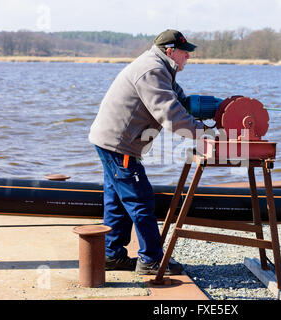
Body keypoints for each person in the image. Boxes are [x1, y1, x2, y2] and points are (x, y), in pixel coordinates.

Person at [88, 29, 206, 275]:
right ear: (171, 51)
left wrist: (215, 109)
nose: (189, 57)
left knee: (117, 201)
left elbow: (180, 102)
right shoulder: (153, 70)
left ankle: (112, 255)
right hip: (119, 144)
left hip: (110, 140)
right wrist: (203, 133)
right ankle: (151, 260)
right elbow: (171, 115)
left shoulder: (160, 67)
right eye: (186, 52)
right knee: (140, 200)